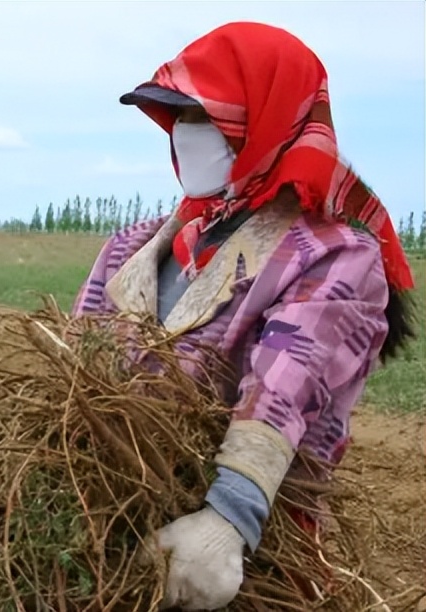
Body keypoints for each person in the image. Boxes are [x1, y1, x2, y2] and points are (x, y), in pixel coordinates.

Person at [72, 22, 416, 611]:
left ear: (270, 120)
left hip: (245, 559)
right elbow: (74, 361)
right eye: (177, 117)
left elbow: (289, 380)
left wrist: (229, 516)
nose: (185, 136)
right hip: (105, 520)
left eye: (204, 119)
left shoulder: (335, 255)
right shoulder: (136, 245)